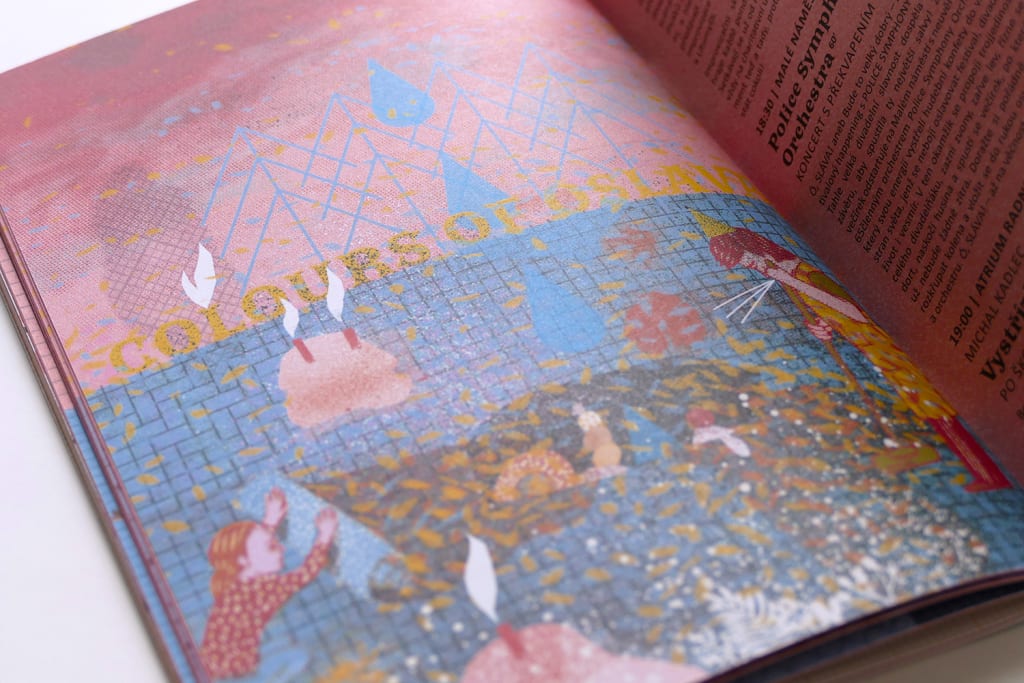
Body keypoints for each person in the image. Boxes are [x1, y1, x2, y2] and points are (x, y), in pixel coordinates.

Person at [200, 487, 339, 680]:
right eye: (272, 546)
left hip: (212, 664)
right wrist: (325, 535)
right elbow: (305, 574)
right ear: (243, 561)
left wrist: (270, 520)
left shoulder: (236, 581)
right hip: (236, 673)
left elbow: (254, 546)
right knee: (297, 655)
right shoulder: (261, 591)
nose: (281, 548)